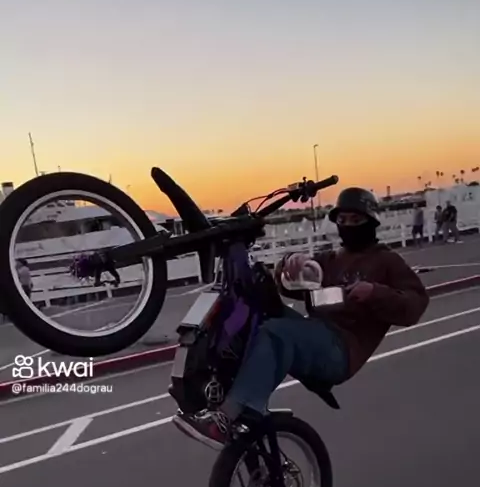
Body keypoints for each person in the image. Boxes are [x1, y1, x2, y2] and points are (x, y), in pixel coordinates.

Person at [173, 187, 430, 449]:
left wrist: (375, 292)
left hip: (342, 350)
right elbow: (291, 286)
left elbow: (415, 305)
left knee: (278, 332)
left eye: (355, 220)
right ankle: (219, 388)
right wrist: (288, 265)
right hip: (315, 331)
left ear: (371, 221)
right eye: (342, 220)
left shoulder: (387, 261)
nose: (348, 226)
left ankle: (227, 418)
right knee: (256, 304)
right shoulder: (330, 258)